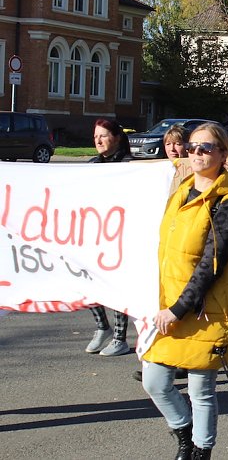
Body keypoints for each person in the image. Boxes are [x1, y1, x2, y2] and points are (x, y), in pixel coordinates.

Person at [141, 122, 228, 460]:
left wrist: (178, 309)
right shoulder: (181, 190)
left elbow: (210, 266)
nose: (196, 153)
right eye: (192, 147)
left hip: (205, 309)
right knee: (154, 381)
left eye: (206, 148)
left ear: (223, 154)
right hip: (168, 304)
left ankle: (201, 452)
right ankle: (184, 432)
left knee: (201, 389)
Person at [134, 124, 192, 382]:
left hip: (183, 250)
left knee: (178, 306)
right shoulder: (156, 172)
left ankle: (179, 361)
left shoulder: (196, 173)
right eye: (169, 144)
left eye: (178, 143)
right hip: (158, 248)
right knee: (156, 304)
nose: (173, 148)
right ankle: (158, 358)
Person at [85, 118, 133, 356]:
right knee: (86, 282)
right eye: (95, 137)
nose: (98, 141)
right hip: (95, 235)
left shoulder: (129, 165)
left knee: (117, 287)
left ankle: (119, 337)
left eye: (103, 136)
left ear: (116, 137)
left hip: (121, 236)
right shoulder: (92, 165)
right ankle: (102, 327)